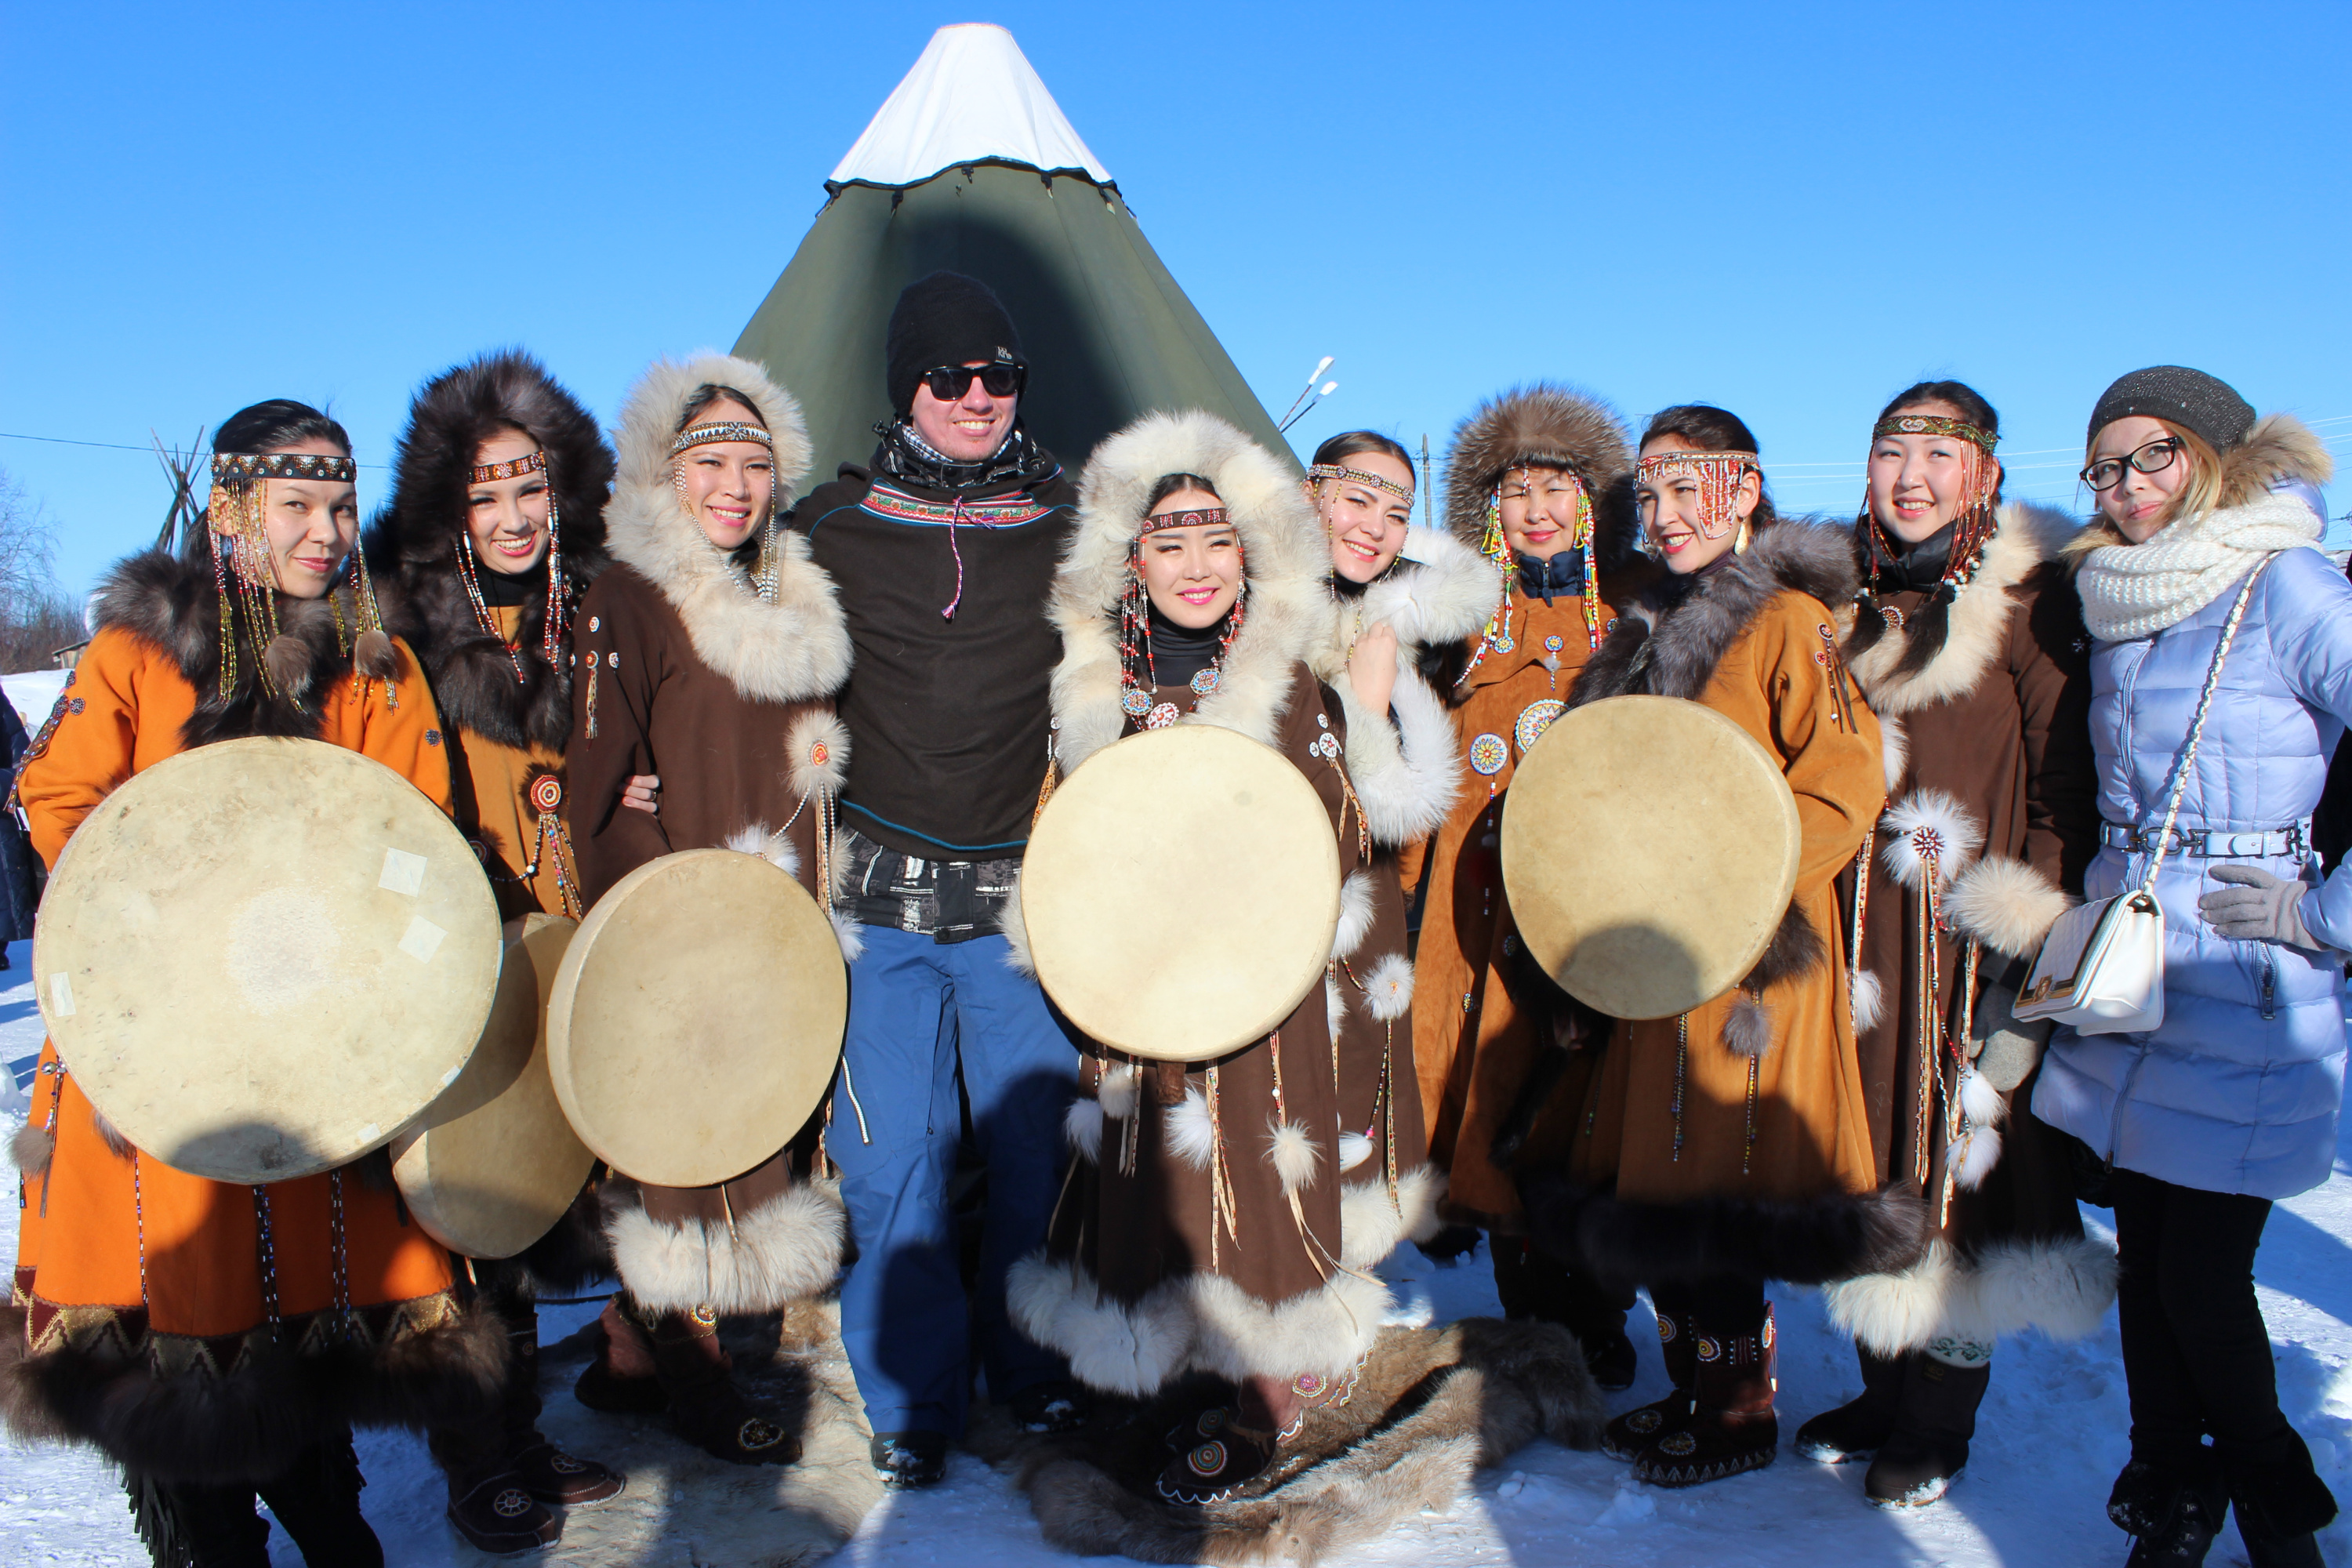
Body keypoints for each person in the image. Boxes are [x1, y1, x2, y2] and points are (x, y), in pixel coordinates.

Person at [3, 401, 504, 1567]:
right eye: (297, 507)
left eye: (339, 505)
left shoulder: (373, 666)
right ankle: (198, 1534)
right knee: (172, 1318)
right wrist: (161, 896)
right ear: (231, 512)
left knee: (311, 1322)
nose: (326, 532)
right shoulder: (139, 648)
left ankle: (329, 1522)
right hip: (157, 1046)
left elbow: (414, 833)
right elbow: (60, 800)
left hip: (320, 1044)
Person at [1008, 408, 1439, 1503]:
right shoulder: (1096, 694)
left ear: (1249, 547)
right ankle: (1151, 1381)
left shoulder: (1292, 677)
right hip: (1144, 986)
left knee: (1256, 1163)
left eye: (1215, 536)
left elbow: (1337, 836)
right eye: (1168, 541)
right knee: (1153, 1175)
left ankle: (1260, 1389)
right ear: (1128, 558)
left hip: (1264, 990)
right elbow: (1065, 840)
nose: (1195, 565)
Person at [1522, 404, 1906, 1488]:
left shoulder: (1788, 619)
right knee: (1664, 1167)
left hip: (1750, 949)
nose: (1665, 511)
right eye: (1650, 492)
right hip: (1653, 946)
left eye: (1688, 487)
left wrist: (1737, 889)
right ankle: (1695, 1382)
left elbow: (1844, 783)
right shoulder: (1647, 620)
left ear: (1742, 491)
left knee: (1722, 1175)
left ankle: (1739, 1406)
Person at [2032, 366, 2342, 1567]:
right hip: (2141, 963)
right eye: (2106, 466)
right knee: (2153, 1267)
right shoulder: (2121, 595)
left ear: (2215, 453)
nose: (2128, 486)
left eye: (2153, 455)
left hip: (2249, 969)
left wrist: (2328, 914)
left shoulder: (2287, 578)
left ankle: (2275, 1491)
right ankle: (2169, 1487)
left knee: (2206, 1279)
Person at [786, 272, 1084, 1486]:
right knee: (892, 1154)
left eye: (998, 375)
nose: (976, 396)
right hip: (879, 911)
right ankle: (912, 1402)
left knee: (1034, 1153)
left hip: (1019, 909)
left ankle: (1035, 1373)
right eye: (949, 375)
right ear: (906, 385)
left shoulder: (1075, 528)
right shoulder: (828, 533)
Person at [1798, 380, 2111, 1508]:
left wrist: (2029, 951)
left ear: (1984, 473)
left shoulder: (2029, 598)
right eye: (1890, 451)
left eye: (1939, 454)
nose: (1911, 476)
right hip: (1857, 944)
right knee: (1873, 1169)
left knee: (1966, 1186)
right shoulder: (1843, 602)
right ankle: (1882, 1392)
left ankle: (1938, 1421)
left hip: (1973, 947)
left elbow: (2063, 782)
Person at [563, 353, 854, 1468]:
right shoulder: (630, 596)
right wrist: (664, 904)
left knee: (768, 1132)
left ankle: (646, 1355)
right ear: (663, 471)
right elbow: (600, 791)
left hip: (789, 921)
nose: (734, 484)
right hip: (686, 924)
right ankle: (697, 1369)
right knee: (685, 1150)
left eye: (754, 462)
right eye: (709, 462)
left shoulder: (794, 594)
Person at [370, 350, 624, 1548]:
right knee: (465, 1206)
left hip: (575, 940)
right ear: (445, 507)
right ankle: (480, 1461)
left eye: (532, 483)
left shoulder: (603, 604)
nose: (516, 514)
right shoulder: (396, 627)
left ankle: (526, 1433)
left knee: (535, 1191)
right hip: (453, 941)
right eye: (486, 493)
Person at [1407, 386, 1653, 1388]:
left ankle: (1598, 1307)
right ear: (1489, 508)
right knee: (1498, 1088)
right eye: (1518, 491)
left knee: (1589, 1098)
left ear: (1594, 498)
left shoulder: (1642, 614)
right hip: (1479, 900)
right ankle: (1533, 1315)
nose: (1539, 507)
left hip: (1599, 893)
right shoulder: (1456, 620)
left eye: (1560, 485)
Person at [1301, 431, 1489, 1249]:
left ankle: (1340, 1289)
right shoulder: (1254, 605)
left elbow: (1385, 806)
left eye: (1397, 513)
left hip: (1366, 894)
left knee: (1352, 1095)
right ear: (1310, 492)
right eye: (1357, 498)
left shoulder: (1402, 629)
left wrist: (1375, 707)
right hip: (1275, 892)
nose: (1375, 527)